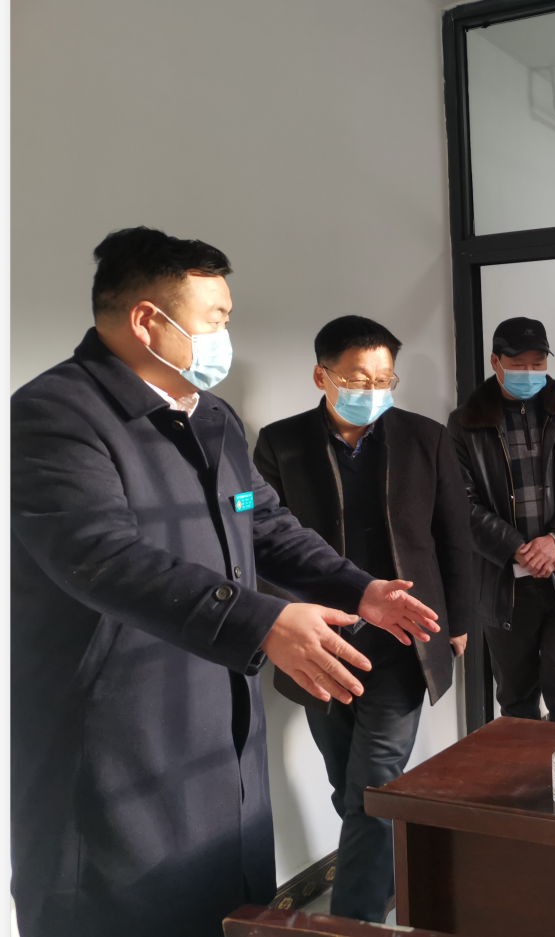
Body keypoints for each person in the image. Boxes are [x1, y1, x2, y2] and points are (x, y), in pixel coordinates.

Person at [10, 227, 440, 937]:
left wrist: (359, 589)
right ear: (147, 320)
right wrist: (262, 621)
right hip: (119, 736)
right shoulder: (57, 414)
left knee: (232, 907)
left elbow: (265, 524)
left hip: (217, 720)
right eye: (215, 317)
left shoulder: (211, 417)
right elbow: (100, 556)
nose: (224, 335)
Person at [253, 316, 475, 923]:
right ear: (322, 376)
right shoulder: (280, 443)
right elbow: (260, 543)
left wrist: (458, 621)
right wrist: (280, 622)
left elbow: (454, 536)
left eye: (384, 378)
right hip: (320, 645)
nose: (373, 389)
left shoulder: (425, 438)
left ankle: (352, 922)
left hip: (403, 641)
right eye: (358, 378)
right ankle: (389, 877)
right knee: (346, 781)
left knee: (372, 784)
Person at [447, 318, 555, 726]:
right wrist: (517, 547)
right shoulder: (466, 422)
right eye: (519, 364)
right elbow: (460, 502)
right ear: (496, 362)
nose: (530, 372)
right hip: (504, 583)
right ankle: (523, 769)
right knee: (516, 697)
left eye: (538, 364)